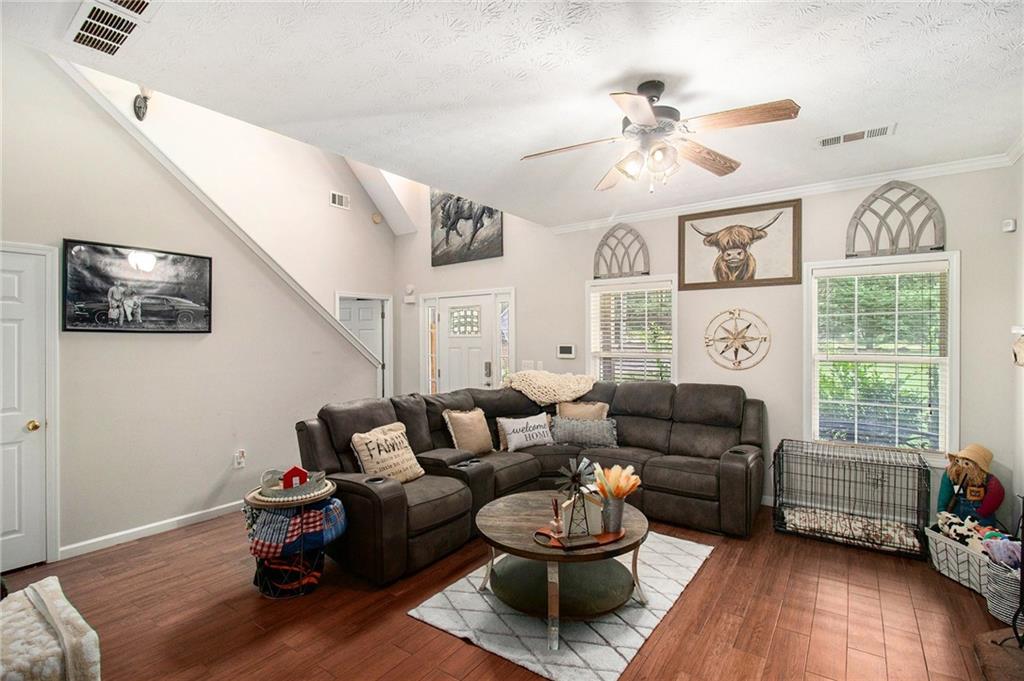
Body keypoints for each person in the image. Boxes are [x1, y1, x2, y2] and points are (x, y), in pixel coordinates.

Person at [936, 443, 1005, 526]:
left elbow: (996, 495)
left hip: (980, 518)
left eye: (966, 463)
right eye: (958, 461)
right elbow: (944, 495)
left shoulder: (988, 480)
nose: (961, 466)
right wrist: (942, 512)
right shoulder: (951, 475)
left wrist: (978, 515)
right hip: (956, 516)